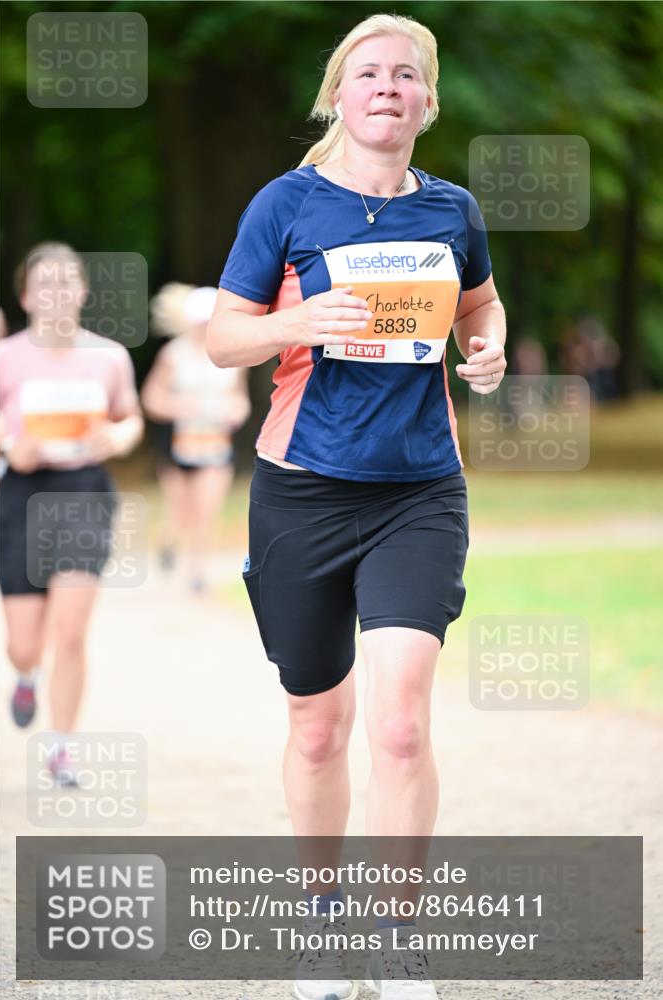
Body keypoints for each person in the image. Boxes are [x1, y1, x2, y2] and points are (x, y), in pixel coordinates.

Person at [208, 13, 506, 999]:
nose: (386, 85)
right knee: (317, 726)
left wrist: (490, 346)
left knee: (401, 726)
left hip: (420, 490)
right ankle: (320, 924)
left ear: (425, 101)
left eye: (405, 74)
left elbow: (479, 304)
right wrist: (299, 319)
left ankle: (396, 934)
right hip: (301, 490)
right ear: (339, 96)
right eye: (367, 73)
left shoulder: (453, 209)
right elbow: (222, 339)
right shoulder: (286, 204)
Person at [0, 243, 142, 783]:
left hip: (84, 492)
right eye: (45, 283)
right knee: (23, 642)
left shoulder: (108, 357)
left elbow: (129, 419)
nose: (57, 292)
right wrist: (11, 445)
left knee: (71, 630)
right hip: (21, 495)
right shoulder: (5, 357)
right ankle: (26, 674)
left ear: (82, 292)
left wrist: (118, 437)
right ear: (27, 295)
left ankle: (60, 747)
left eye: (67, 282)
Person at [141, 283, 250, 592]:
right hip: (179, 442)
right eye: (199, 321)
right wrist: (180, 407)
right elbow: (151, 398)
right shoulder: (172, 355)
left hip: (216, 443)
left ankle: (198, 572)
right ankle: (169, 541)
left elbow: (241, 401)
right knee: (180, 508)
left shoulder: (232, 356)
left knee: (207, 507)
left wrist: (235, 411)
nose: (204, 327)